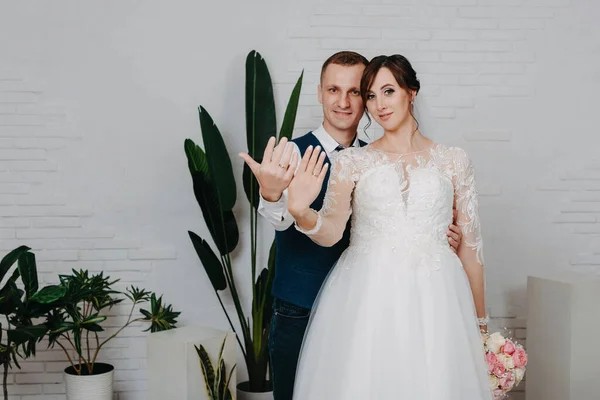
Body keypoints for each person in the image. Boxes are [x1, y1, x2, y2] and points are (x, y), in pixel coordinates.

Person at [239, 51, 464, 400]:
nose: (343, 102)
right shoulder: (294, 153)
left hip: (370, 309)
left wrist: (441, 231)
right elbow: (281, 218)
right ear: (319, 93)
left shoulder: (375, 157)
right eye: (333, 90)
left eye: (356, 92)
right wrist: (270, 193)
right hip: (301, 305)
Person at [287, 54, 492, 399]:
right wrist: (300, 210)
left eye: (388, 91)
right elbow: (331, 231)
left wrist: (481, 327)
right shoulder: (351, 161)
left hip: (437, 296)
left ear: (411, 92)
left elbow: (472, 250)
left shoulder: (454, 160)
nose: (378, 105)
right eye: (370, 95)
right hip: (367, 296)